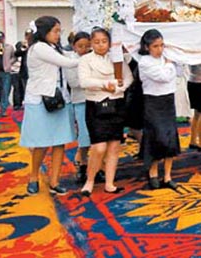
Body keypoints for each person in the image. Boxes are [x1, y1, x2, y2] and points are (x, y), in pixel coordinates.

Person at [19, 16, 79, 195]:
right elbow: (68, 62)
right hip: (40, 99)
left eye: (59, 31)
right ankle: (33, 177)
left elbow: (70, 56)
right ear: (44, 32)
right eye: (55, 31)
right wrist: (90, 57)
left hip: (59, 98)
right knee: (41, 143)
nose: (58, 35)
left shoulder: (54, 48)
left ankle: (55, 181)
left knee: (60, 142)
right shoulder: (39, 48)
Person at [79, 28, 133, 196]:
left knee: (114, 146)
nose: (101, 45)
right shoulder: (86, 60)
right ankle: (90, 180)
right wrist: (105, 84)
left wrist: (118, 87)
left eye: (104, 41)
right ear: (91, 43)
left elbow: (128, 77)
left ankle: (110, 183)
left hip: (116, 104)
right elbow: (84, 81)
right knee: (99, 147)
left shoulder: (117, 59)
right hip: (95, 106)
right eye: (97, 42)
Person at [137, 29, 182, 190]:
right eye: (155, 46)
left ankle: (168, 175)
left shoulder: (166, 58)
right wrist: (170, 64)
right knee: (156, 138)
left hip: (168, 100)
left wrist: (174, 61)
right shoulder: (144, 61)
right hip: (153, 102)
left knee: (170, 138)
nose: (159, 49)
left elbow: (179, 72)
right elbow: (163, 76)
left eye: (162, 45)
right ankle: (153, 172)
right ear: (147, 47)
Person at [63, 31, 92, 183]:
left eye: (87, 46)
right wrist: (93, 81)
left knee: (98, 136)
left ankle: (97, 167)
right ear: (74, 46)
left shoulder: (94, 57)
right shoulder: (71, 60)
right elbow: (73, 82)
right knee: (84, 134)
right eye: (80, 46)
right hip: (80, 100)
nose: (84, 49)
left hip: (96, 100)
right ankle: (82, 163)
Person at [14, 28, 33, 110]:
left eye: (30, 35)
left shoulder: (36, 44)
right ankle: (27, 105)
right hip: (25, 72)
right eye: (27, 35)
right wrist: (24, 47)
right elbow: (17, 54)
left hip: (34, 71)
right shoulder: (22, 44)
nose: (29, 37)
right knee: (25, 90)